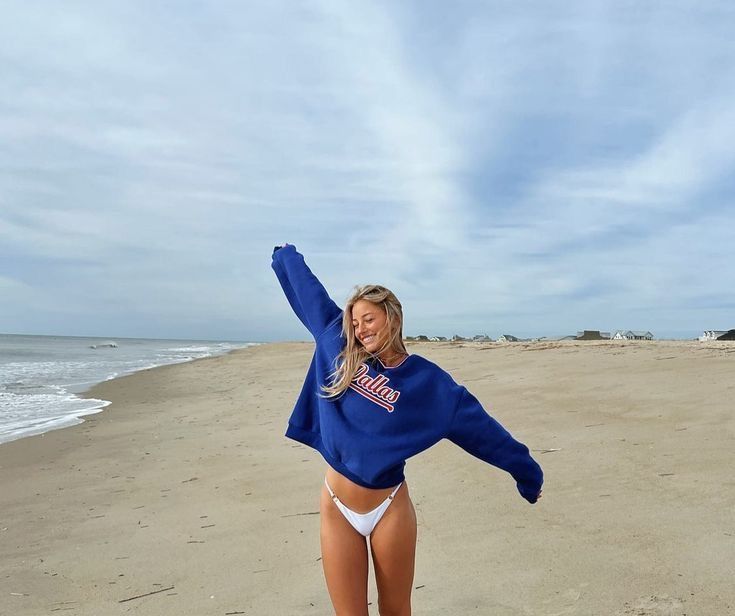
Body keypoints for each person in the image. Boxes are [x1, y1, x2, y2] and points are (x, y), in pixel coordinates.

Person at [271, 244, 543, 616]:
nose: (359, 329)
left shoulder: (429, 384)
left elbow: (484, 432)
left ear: (392, 317)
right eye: (354, 321)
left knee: (396, 610)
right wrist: (285, 257)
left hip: (389, 507)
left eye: (368, 319)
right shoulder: (337, 343)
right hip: (336, 506)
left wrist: (527, 473)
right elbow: (307, 291)